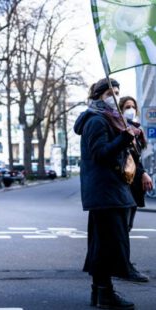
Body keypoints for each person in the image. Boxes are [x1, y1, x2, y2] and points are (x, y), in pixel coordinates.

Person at [74, 78, 136, 309]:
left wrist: (126, 137)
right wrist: (124, 138)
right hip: (105, 191)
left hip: (108, 192)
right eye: (111, 92)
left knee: (104, 245)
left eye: (118, 92)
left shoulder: (107, 118)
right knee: (108, 245)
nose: (116, 97)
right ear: (99, 95)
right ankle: (105, 295)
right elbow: (100, 154)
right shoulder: (97, 121)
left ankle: (100, 293)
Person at [117, 96, 153, 283]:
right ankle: (124, 265)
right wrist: (144, 173)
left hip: (133, 183)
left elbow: (135, 159)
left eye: (133, 107)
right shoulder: (121, 129)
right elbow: (125, 159)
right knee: (122, 227)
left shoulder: (137, 131)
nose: (130, 110)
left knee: (127, 226)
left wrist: (143, 172)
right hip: (124, 184)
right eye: (126, 107)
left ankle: (122, 263)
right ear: (120, 109)